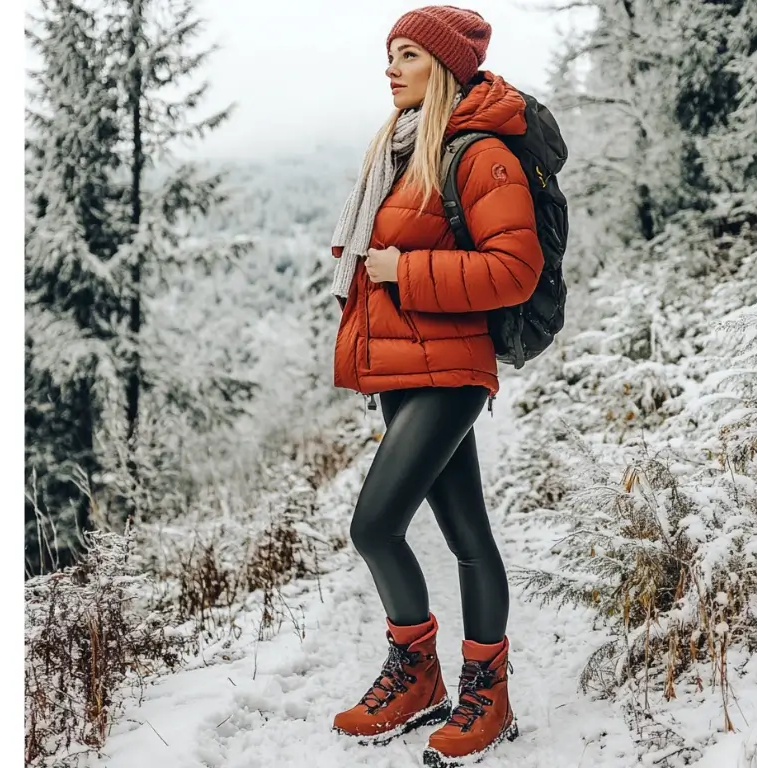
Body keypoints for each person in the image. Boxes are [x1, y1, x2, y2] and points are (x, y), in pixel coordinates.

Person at [327, 5, 544, 766]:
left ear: (445, 67)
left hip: (450, 369)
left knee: (374, 526)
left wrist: (402, 269)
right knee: (467, 534)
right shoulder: (399, 148)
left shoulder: (481, 152)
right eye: (390, 53)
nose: (392, 67)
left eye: (409, 54)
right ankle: (452, 686)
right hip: (404, 363)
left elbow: (516, 269)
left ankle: (438, 677)